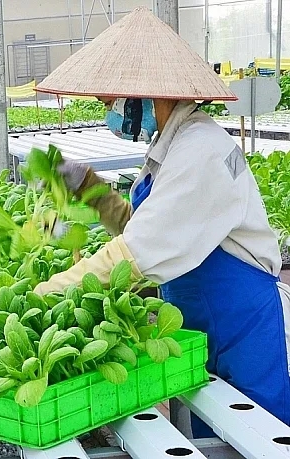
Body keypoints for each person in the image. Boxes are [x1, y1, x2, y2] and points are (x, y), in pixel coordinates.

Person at [33, 7, 290, 436]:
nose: (109, 114)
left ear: (147, 95)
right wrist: (91, 189)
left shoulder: (200, 150)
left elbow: (140, 251)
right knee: (212, 430)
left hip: (239, 323)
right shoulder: (174, 144)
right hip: (200, 319)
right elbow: (146, 225)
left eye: (110, 103)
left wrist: (50, 290)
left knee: (258, 437)